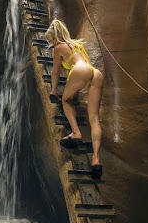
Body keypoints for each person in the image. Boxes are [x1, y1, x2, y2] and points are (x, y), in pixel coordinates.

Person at [45, 19, 104, 178]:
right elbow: (85, 71)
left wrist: (54, 90)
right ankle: (96, 159)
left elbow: (55, 72)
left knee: (65, 100)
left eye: (51, 40)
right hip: (95, 73)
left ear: (56, 37)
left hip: (80, 70)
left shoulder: (59, 47)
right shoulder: (77, 45)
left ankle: (76, 132)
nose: (51, 43)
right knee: (94, 117)